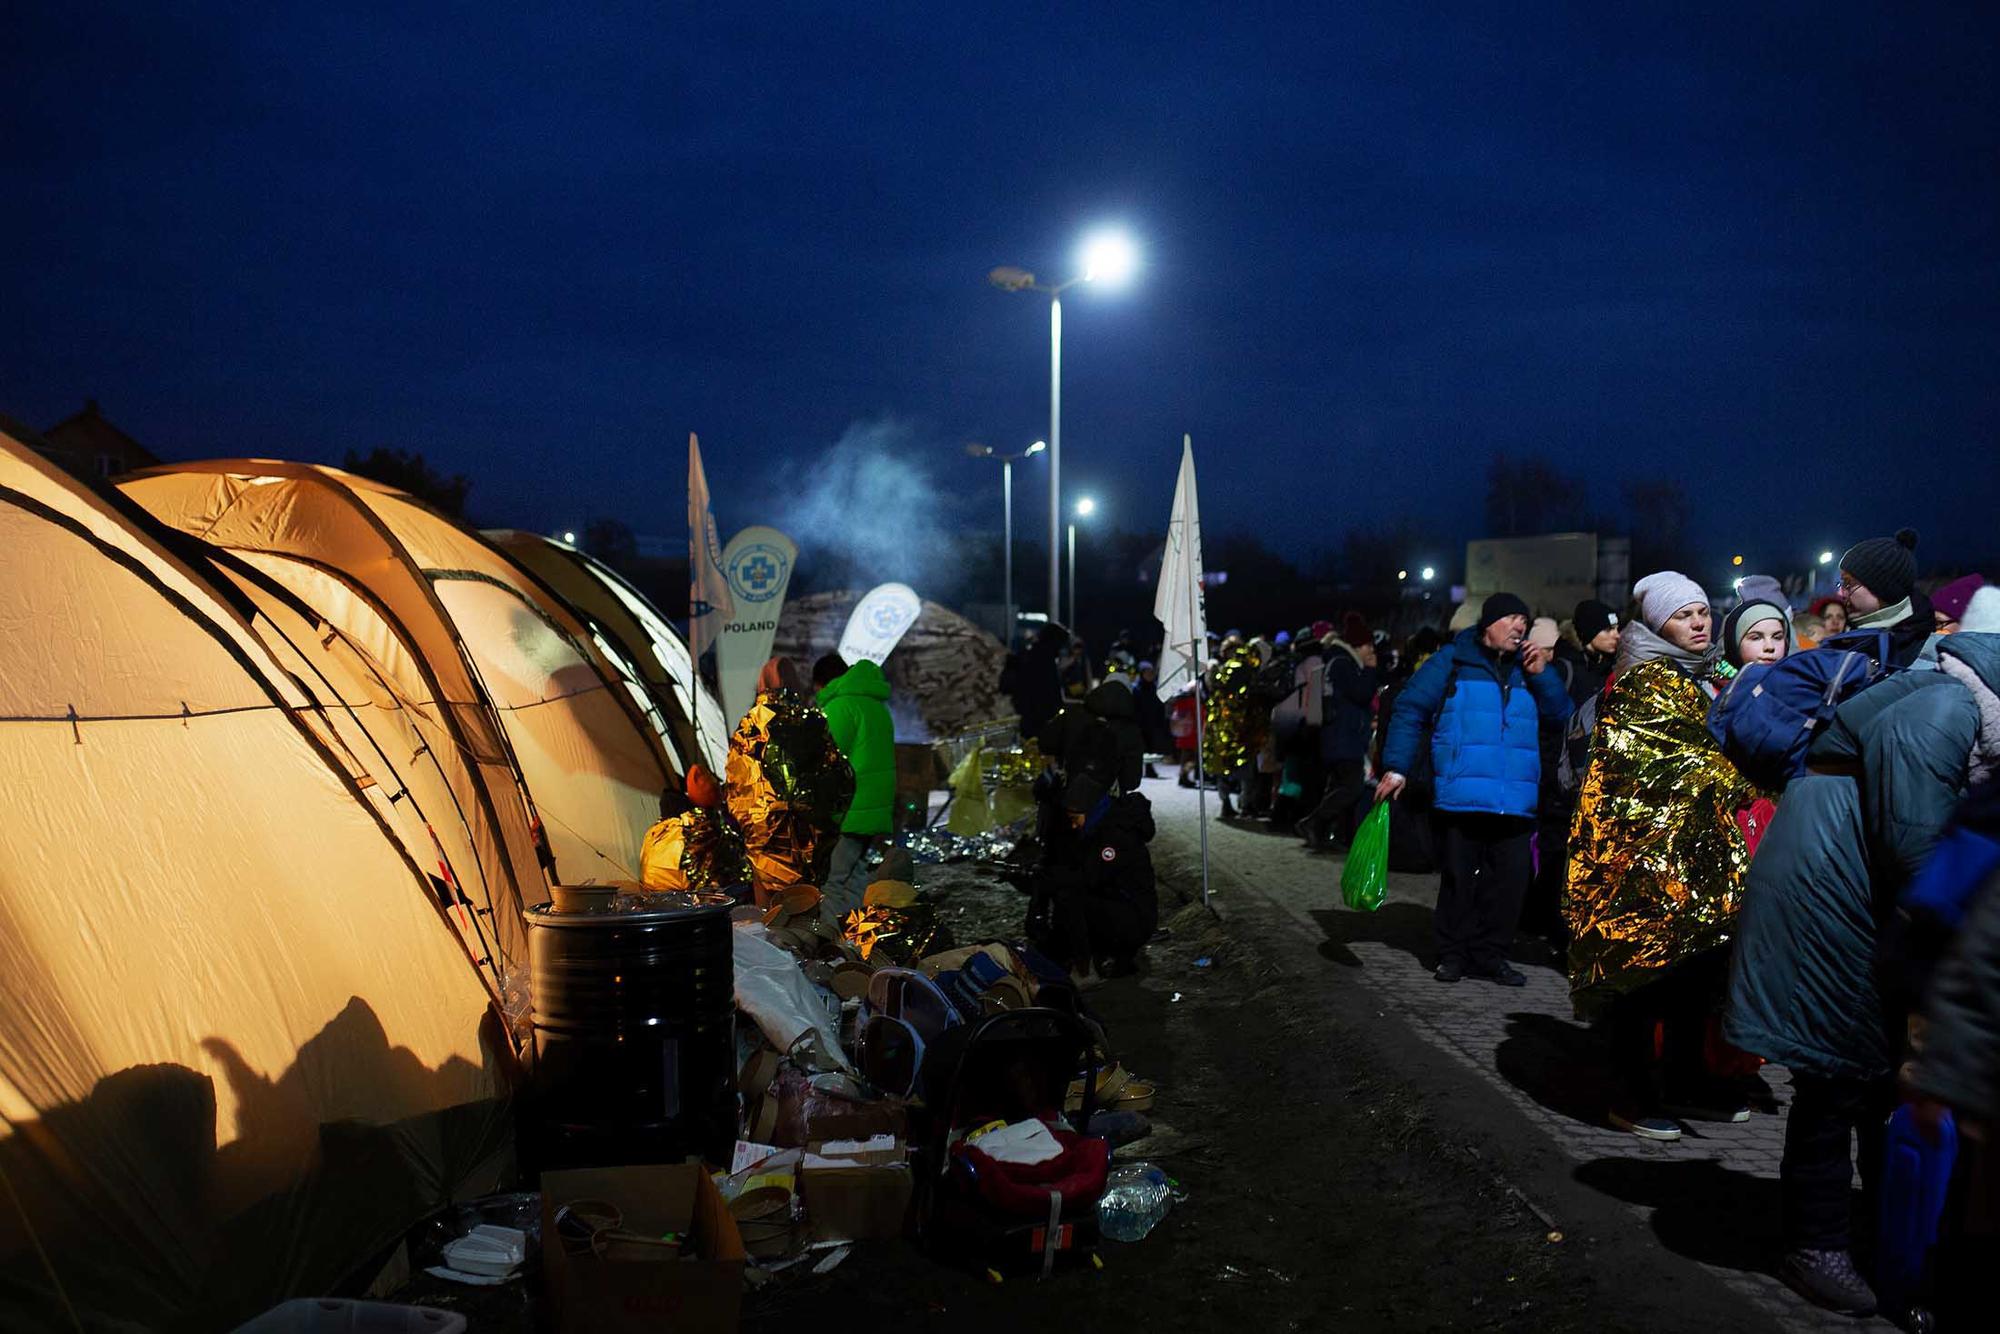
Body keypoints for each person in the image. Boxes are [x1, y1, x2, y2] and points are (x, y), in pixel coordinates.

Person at [1725, 630, 2000, 1316]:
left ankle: (1882, 1241)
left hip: (1847, 889)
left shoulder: (1944, 699)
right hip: (1831, 897)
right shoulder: (1944, 706)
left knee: (1869, 1077)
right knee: (1837, 1076)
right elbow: (1914, 842)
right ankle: (1815, 1244)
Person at [1565, 573, 1758, 1142]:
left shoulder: (1697, 677)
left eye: (1703, 612)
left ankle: (1685, 1081)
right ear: (1654, 625)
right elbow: (1673, 763)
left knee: (1693, 980)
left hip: (1695, 853)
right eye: (1683, 616)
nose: (1699, 623)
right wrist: (1756, 776)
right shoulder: (1645, 680)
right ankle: (1632, 1093)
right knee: (1645, 978)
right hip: (1644, 861)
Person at [1378, 593, 1572, 986]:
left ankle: (1492, 953)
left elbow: (1563, 718)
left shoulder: (1530, 669)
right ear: (1488, 624)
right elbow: (1409, 709)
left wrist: (1543, 675)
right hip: (1460, 794)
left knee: (1510, 883)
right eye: (1511, 619)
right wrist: (1396, 767)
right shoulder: (1451, 661)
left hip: (1515, 798)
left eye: (1525, 620)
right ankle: (1452, 953)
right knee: (1458, 879)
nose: (1520, 627)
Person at [725, 656, 854, 905]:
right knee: (806, 904)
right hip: (810, 833)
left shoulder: (750, 726)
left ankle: (772, 943)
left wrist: (751, 825)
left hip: (762, 835)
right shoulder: (812, 721)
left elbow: (736, 783)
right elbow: (841, 774)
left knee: (769, 912)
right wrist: (827, 816)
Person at [1035, 792, 1159, 988]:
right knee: (1068, 896)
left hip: (1135, 918)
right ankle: (1087, 957)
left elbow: (1090, 877)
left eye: (1075, 819)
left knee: (1069, 898)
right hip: (1123, 909)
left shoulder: (1115, 835)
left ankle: (1085, 971)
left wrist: (1053, 878)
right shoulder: (1101, 828)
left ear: (1090, 811)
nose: (1074, 825)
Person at [816, 651, 896, 923]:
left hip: (849, 810)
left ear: (822, 683)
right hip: (873, 809)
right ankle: (857, 938)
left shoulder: (840, 707)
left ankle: (831, 945)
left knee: (831, 881)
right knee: (856, 875)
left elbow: (828, 761)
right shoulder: (876, 706)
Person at [1298, 615, 1380, 850]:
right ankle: (1313, 823)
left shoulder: (1335, 661)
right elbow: (1362, 694)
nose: (1370, 651)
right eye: (1368, 646)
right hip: (1344, 738)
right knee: (1352, 787)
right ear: (1359, 645)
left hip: (1338, 736)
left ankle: (1322, 833)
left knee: (1337, 787)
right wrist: (1370, 671)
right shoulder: (1344, 664)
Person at [1837, 527, 1934, 667]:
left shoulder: (1921, 653)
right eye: (1841, 584)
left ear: (1883, 590)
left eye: (1848, 584)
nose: (1840, 593)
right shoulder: (1847, 639)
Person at [1001, 624, 1068, 740]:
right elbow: (1049, 688)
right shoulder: (1045, 657)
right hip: (1039, 715)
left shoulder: (1031, 653)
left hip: (1027, 712)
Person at [1721, 597, 1790, 668]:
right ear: (1734, 644)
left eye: (1777, 638)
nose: (1770, 647)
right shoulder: (1717, 678)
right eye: (1756, 638)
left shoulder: (1797, 678)